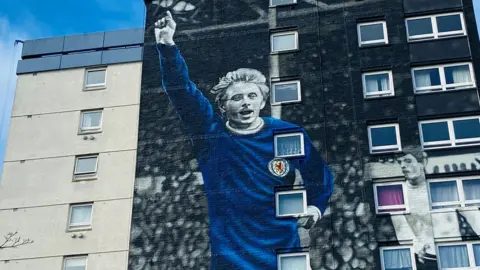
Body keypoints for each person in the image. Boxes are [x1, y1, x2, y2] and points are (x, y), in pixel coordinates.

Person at [154, 11, 334, 269]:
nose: (246, 102)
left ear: (262, 101)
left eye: (252, 96)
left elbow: (319, 173)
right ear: (223, 106)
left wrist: (315, 206)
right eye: (236, 98)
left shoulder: (285, 133)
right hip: (233, 256)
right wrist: (167, 46)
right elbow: (182, 92)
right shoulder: (212, 135)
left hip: (283, 251)